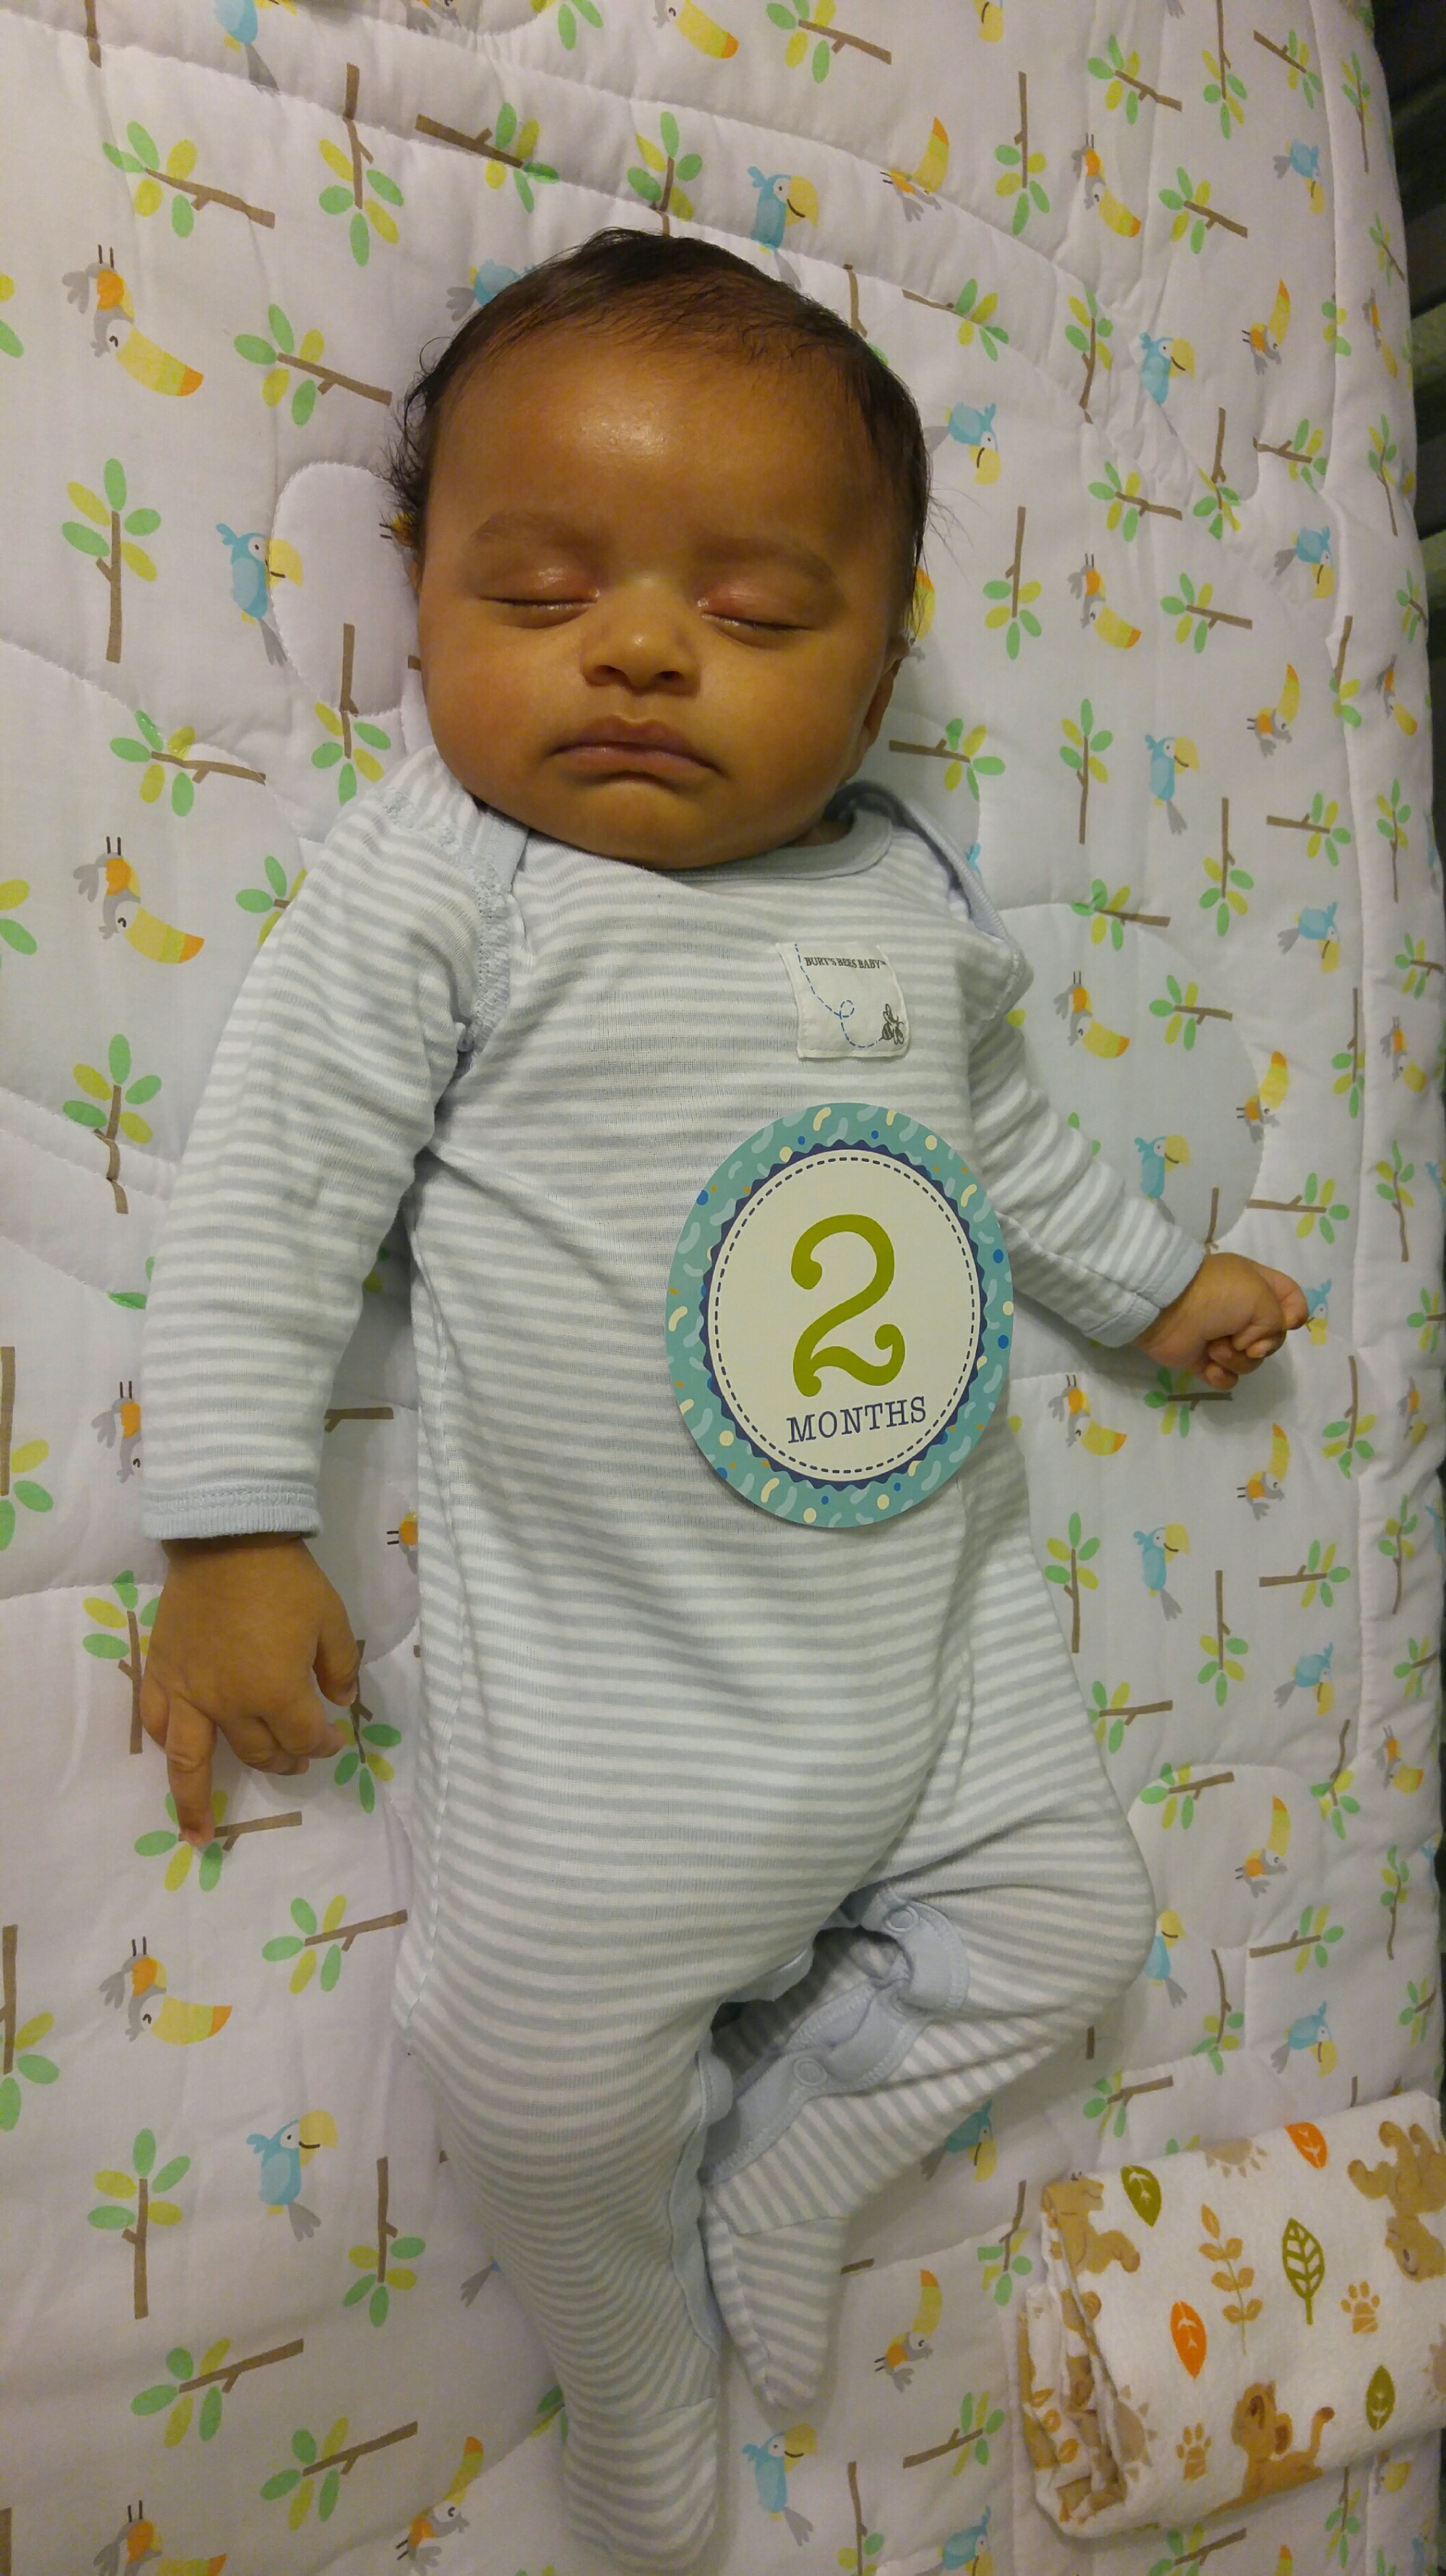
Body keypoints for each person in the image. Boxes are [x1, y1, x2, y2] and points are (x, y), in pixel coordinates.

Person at [138, 230, 1306, 2572]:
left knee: (1074, 1930)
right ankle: (634, 2370)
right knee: (535, 2075)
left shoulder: (909, 902)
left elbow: (1007, 1147)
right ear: (423, 595)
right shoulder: (454, 877)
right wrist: (233, 1521)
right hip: (622, 1703)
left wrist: (1152, 1279)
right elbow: (279, 1173)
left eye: (760, 615)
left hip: (934, 1643)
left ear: (873, 681)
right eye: (539, 589)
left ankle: (799, 2161)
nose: (646, 649)